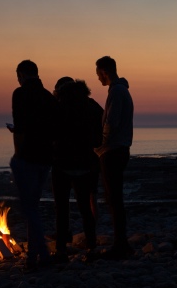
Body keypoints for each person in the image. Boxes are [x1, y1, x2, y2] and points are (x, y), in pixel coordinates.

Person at [6, 60, 57, 270]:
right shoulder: (48, 97)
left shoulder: (20, 94)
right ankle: (33, 255)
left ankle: (42, 254)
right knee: (32, 207)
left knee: (29, 208)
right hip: (45, 159)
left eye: (18, 75)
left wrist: (17, 155)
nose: (17, 79)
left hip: (27, 156)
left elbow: (20, 127)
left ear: (22, 74)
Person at [51, 78, 103, 260]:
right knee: (85, 208)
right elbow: (100, 135)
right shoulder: (92, 106)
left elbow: (51, 133)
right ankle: (91, 246)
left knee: (62, 208)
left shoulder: (58, 107)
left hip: (62, 163)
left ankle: (61, 249)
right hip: (86, 164)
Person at [95, 56, 134, 259]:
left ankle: (120, 244)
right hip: (117, 149)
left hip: (113, 150)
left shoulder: (117, 92)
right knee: (114, 197)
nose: (98, 79)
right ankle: (121, 242)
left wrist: (102, 142)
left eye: (98, 74)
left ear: (104, 72)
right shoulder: (120, 91)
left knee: (114, 198)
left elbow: (111, 121)